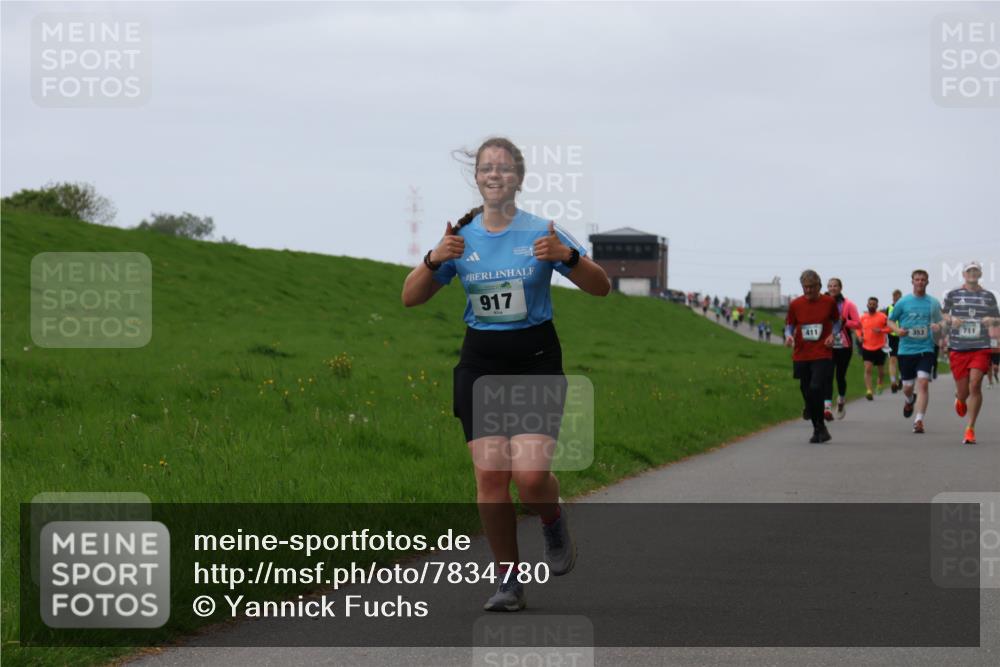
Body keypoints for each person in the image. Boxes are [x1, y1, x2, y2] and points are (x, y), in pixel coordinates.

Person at [401, 137, 611, 611]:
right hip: (481, 365)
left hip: (535, 361)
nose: (494, 175)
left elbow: (601, 287)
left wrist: (567, 257)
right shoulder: (461, 237)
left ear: (518, 177)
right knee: (492, 478)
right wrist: (435, 257)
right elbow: (410, 297)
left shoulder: (543, 231)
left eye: (503, 168)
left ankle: (552, 519)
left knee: (532, 478)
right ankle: (508, 581)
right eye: (485, 169)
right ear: (476, 178)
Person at [940, 261, 1000, 445]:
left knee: (975, 385)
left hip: (980, 347)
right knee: (964, 391)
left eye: (976, 271)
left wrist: (992, 319)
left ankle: (970, 428)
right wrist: (951, 319)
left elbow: (998, 319)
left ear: (980, 274)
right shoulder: (953, 294)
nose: (972, 273)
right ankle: (960, 398)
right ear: (964, 274)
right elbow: (941, 314)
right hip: (958, 348)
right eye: (969, 271)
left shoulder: (989, 296)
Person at [785, 269, 840, 443]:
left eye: (812, 287)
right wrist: (789, 335)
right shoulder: (795, 304)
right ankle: (819, 429)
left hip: (822, 352)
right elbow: (790, 325)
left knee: (816, 387)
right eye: (805, 287)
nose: (808, 290)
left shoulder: (828, 302)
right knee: (806, 389)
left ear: (819, 286)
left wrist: (833, 335)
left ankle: (819, 426)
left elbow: (837, 321)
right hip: (801, 353)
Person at [887, 270, 943, 434]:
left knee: (923, 383)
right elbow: (890, 320)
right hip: (906, 350)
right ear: (912, 282)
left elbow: (942, 321)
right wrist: (897, 330)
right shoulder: (903, 302)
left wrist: (938, 326)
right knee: (907, 387)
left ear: (927, 282)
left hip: (926, 349)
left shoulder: (933, 303)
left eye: (923, 280)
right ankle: (909, 399)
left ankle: (919, 420)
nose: (920, 282)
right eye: (917, 279)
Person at [823, 278, 861, 420]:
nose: (832, 288)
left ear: (840, 288)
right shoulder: (823, 303)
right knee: (828, 376)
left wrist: (845, 321)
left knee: (840, 376)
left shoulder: (848, 304)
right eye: (830, 286)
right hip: (828, 345)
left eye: (835, 286)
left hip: (844, 346)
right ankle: (827, 408)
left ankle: (841, 401)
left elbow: (858, 324)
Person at [858, 296, 889, 399]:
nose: (871, 306)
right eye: (870, 304)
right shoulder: (863, 317)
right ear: (867, 305)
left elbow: (890, 328)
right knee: (868, 369)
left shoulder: (882, 316)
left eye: (874, 304)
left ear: (877, 306)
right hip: (867, 347)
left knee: (881, 372)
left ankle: (880, 384)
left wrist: (881, 331)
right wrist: (859, 336)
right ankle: (869, 390)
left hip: (880, 347)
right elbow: (858, 329)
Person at [885, 289, 903, 392]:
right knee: (892, 359)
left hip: (903, 336)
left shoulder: (905, 307)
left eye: (898, 296)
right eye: (894, 296)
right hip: (891, 336)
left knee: (902, 360)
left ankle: (901, 378)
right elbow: (886, 321)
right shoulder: (889, 308)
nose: (896, 298)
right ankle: (893, 382)